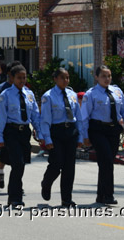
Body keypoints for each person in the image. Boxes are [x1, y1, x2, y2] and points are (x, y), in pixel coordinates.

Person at [82, 65, 124, 205]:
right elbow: (84, 117)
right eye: (104, 76)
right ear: (97, 77)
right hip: (98, 130)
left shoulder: (117, 91)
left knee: (107, 163)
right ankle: (109, 195)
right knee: (106, 161)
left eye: (109, 76)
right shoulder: (91, 94)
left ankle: (100, 195)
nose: (107, 79)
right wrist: (84, 136)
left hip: (113, 130)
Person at [0, 64, 40, 207]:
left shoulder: (29, 94)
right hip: (11, 131)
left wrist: (40, 132)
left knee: (21, 164)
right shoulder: (6, 95)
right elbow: (0, 117)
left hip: (24, 132)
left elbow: (35, 115)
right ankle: (14, 197)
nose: (22, 80)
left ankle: (16, 193)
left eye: (24, 77)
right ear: (12, 78)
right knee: (17, 163)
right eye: (19, 78)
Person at [40, 68, 84, 207]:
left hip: (70, 131)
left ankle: (66, 198)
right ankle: (46, 183)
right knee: (56, 163)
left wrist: (80, 136)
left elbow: (78, 117)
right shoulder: (48, 96)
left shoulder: (72, 95)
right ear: (55, 79)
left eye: (67, 78)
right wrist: (47, 138)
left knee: (69, 167)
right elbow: (45, 120)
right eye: (62, 78)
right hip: (56, 132)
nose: (66, 80)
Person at [0, 61, 21, 189]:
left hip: (20, 129)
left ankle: (16, 182)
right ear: (10, 74)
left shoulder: (25, 90)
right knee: (4, 152)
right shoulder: (1, 90)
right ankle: (0, 171)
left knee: (19, 159)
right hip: (4, 126)